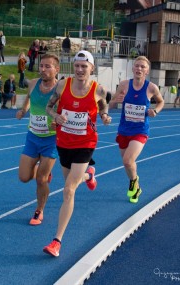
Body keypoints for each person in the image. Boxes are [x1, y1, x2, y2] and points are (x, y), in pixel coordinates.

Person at [43, 50, 112, 257]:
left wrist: (105, 115)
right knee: (70, 184)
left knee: (68, 191)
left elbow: (103, 105)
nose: (81, 70)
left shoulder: (97, 89)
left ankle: (57, 241)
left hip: (85, 143)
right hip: (64, 142)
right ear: (74, 67)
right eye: (78, 66)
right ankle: (89, 175)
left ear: (92, 68)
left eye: (85, 66)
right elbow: (48, 107)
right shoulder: (63, 85)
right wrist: (55, 115)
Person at [110, 56, 164, 205]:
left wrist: (156, 111)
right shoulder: (124, 85)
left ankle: (133, 183)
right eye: (137, 66)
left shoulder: (151, 87)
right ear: (133, 68)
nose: (139, 69)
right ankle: (136, 184)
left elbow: (161, 101)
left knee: (128, 161)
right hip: (124, 130)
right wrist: (115, 101)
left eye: (143, 67)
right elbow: (111, 105)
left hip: (140, 130)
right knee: (126, 163)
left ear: (147, 71)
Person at [16, 54, 60, 226]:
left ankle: (39, 210)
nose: (43, 69)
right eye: (41, 66)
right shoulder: (33, 83)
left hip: (51, 140)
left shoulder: (61, 89)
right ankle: (44, 171)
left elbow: (67, 112)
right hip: (33, 137)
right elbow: (28, 98)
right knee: (24, 177)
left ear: (56, 69)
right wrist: (23, 110)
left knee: (41, 180)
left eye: (47, 66)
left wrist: (57, 122)